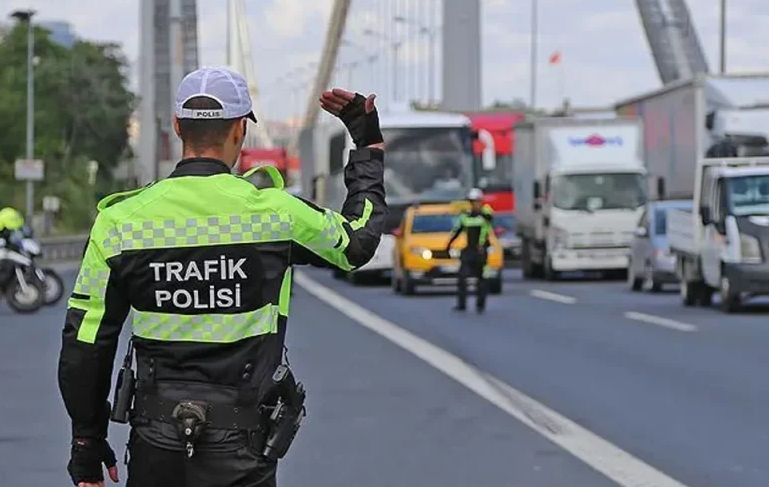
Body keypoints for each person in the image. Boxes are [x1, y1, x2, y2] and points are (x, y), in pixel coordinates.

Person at [57, 66, 387, 487]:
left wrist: (86, 441)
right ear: (239, 131)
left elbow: (86, 344)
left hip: (156, 443)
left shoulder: (119, 223)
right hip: (243, 445)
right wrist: (367, 146)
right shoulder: (276, 215)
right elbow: (357, 242)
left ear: (178, 127)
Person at [446, 189, 495, 314]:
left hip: (481, 251)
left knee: (482, 279)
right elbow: (456, 231)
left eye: (477, 201)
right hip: (469, 250)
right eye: (472, 202)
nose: (475, 204)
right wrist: (448, 245)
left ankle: (480, 305)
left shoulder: (485, 215)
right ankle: (461, 304)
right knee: (462, 277)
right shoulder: (465, 217)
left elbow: (490, 219)